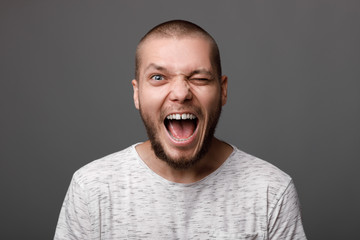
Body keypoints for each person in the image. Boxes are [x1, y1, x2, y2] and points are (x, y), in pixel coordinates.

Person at [54, 20, 307, 240]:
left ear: (223, 91)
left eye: (199, 78)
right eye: (158, 78)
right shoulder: (92, 189)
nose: (180, 93)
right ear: (137, 93)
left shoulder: (270, 191)